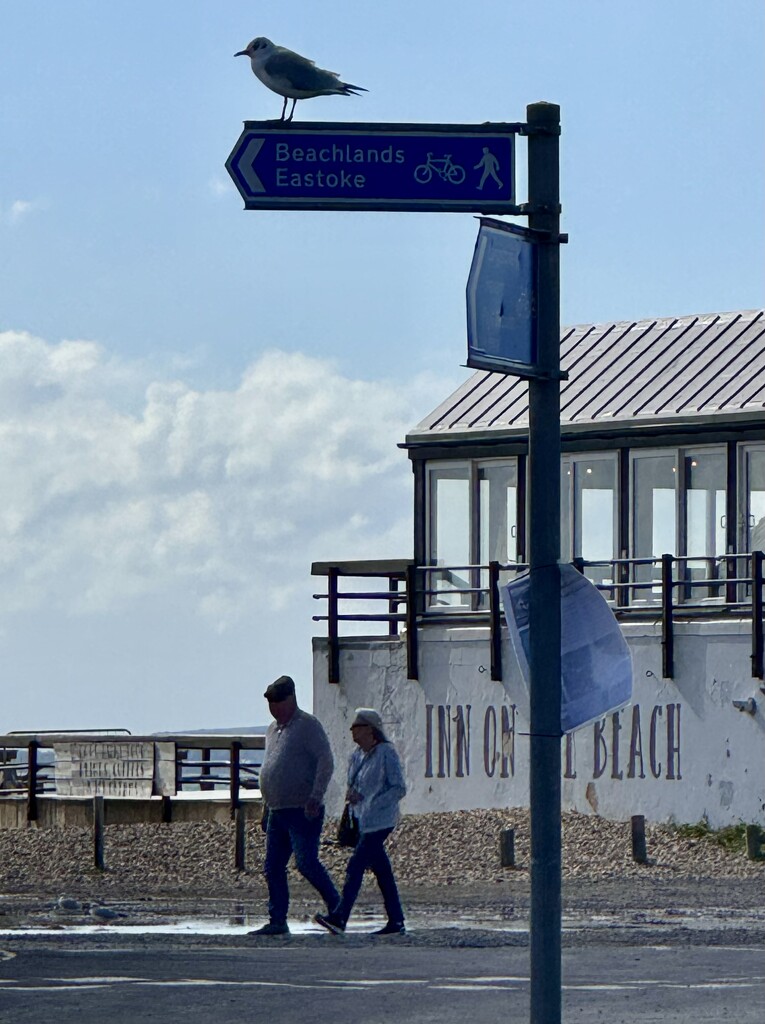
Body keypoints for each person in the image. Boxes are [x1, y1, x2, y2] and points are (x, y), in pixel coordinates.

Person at [250, 675, 340, 936]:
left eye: (278, 702)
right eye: (271, 704)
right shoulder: (272, 730)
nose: (274, 708)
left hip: (302, 809)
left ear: (291, 699)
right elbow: (271, 768)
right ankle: (277, 920)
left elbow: (326, 760)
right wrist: (265, 807)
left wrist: (316, 795)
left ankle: (337, 907)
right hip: (277, 810)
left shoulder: (308, 726)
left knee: (306, 862)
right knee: (273, 867)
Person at [315, 708, 407, 936]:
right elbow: (354, 784)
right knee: (382, 870)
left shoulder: (386, 753)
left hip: (381, 820)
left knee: (355, 865)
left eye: (357, 726)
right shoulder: (356, 755)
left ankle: (340, 917)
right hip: (361, 820)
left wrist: (373, 802)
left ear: (370, 729)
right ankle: (396, 920)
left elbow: (399, 788)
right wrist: (353, 796)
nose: (353, 731)